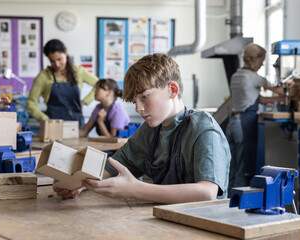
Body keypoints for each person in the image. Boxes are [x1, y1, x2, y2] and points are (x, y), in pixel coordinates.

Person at [54, 53, 231, 204]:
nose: (138, 108)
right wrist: (80, 183)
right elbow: (113, 167)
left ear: (172, 89)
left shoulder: (204, 130)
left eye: (144, 97)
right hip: (164, 220)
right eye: (134, 101)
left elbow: (207, 192)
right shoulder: (151, 130)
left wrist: (136, 189)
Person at [226, 43, 284, 191]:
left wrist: (278, 100)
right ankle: (236, 208)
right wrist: (291, 93)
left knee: (231, 168)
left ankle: (226, 201)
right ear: (256, 59)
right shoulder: (255, 77)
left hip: (232, 123)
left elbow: (259, 99)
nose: (262, 64)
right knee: (243, 168)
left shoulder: (236, 76)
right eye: (262, 60)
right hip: (244, 125)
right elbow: (279, 90)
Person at [26, 39, 98, 128]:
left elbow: (99, 84)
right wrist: (45, 120)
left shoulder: (78, 71)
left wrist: (85, 101)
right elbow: (30, 104)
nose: (57, 64)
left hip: (77, 126)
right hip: (53, 126)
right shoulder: (43, 76)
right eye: (52, 61)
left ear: (66, 53)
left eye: (59, 59)